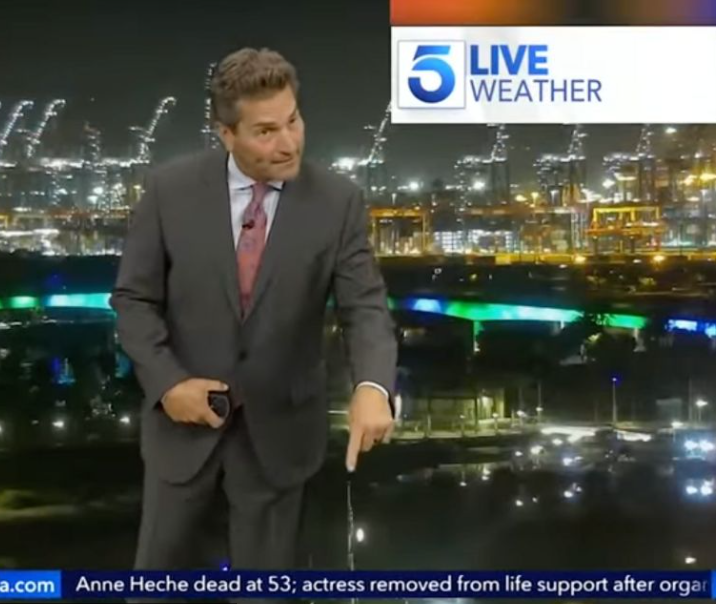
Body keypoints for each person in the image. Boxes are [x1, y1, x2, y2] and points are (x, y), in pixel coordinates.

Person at [110, 47, 397, 579]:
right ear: (226, 134)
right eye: (266, 131)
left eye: (293, 121)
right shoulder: (169, 191)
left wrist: (373, 386)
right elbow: (134, 300)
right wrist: (169, 384)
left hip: (281, 432)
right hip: (182, 429)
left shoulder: (338, 201)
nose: (288, 143)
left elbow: (365, 307)